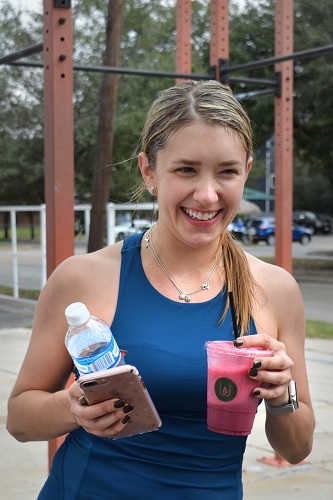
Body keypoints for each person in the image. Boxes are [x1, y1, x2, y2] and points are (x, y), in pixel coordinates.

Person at [6, 80, 314, 499]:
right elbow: (20, 419)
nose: (207, 195)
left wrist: (282, 395)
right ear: (149, 171)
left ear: (246, 170)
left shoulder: (275, 289)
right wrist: (72, 408)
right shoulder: (84, 277)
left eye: (227, 171)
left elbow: (296, 449)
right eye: (186, 169)